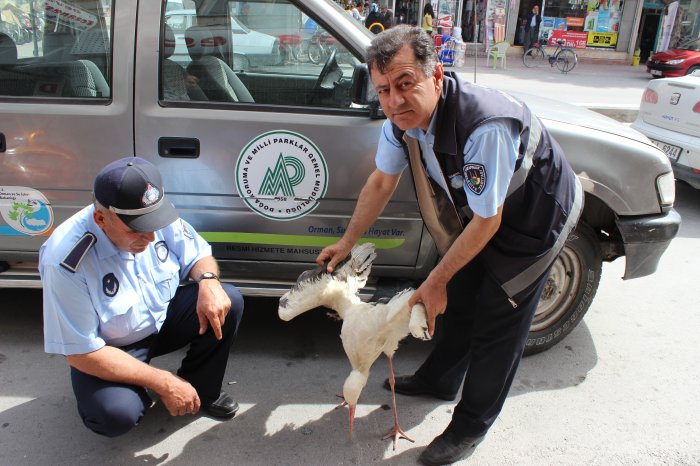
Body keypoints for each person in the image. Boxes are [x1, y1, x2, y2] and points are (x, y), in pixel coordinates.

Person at [316, 25, 582, 465]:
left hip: (535, 216)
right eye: (383, 90)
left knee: (499, 318)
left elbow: (488, 220)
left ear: (436, 76)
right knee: (457, 296)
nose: (394, 100)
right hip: (484, 214)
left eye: (406, 84)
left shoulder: (483, 126)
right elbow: (382, 180)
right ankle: (441, 378)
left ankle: (469, 427)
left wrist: (435, 281)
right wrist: (347, 241)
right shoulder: (401, 122)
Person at [39, 156, 245, 437]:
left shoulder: (149, 215)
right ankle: (143, 386)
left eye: (153, 225)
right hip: (112, 348)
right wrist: (162, 380)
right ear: (101, 219)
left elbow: (198, 254)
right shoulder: (65, 259)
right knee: (113, 414)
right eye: (136, 230)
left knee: (227, 300)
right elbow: (81, 353)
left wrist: (209, 282)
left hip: (162, 318)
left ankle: (200, 389)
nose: (149, 238)